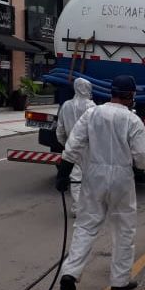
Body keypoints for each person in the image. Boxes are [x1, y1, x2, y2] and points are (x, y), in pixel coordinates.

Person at [56, 75, 145, 290]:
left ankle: (70, 272)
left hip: (94, 176)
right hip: (121, 180)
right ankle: (119, 280)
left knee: (85, 226)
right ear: (130, 95)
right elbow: (141, 155)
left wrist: (64, 172)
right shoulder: (132, 120)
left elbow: (73, 144)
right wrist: (142, 168)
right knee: (123, 230)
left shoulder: (92, 114)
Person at [55, 77, 96, 216]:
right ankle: (87, 207)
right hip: (88, 147)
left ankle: (78, 208)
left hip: (71, 146)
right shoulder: (92, 106)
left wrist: (65, 144)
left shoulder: (66, 105)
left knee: (75, 178)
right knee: (88, 178)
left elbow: (60, 128)